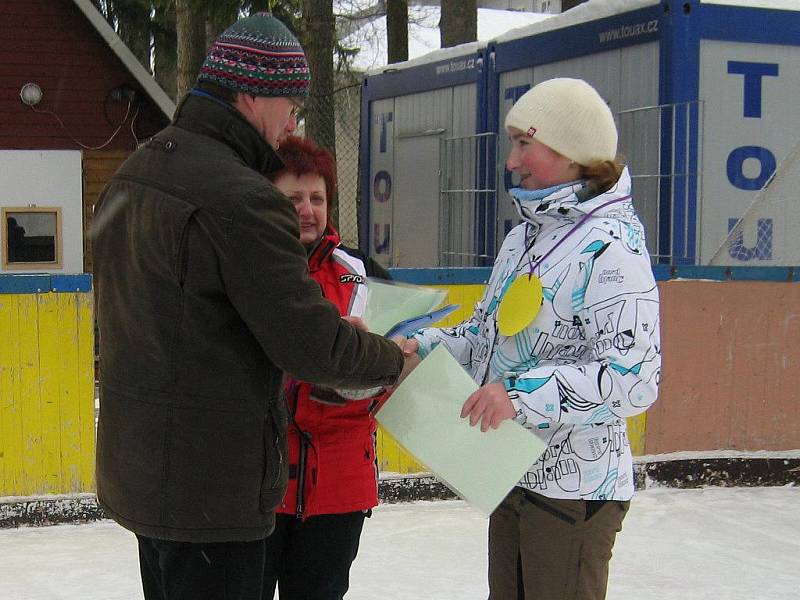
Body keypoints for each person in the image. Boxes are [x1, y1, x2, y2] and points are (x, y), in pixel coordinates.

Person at [91, 14, 411, 600]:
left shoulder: (137, 172)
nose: (293, 120)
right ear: (251, 95)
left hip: (146, 479)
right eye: (289, 103)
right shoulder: (242, 198)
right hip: (214, 491)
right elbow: (312, 344)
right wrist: (391, 358)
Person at [403, 78, 661, 600]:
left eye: (525, 143)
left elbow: (635, 379)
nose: (512, 160)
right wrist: (419, 347)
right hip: (512, 472)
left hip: (574, 493)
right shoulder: (526, 235)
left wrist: (520, 397)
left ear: (571, 154)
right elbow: (483, 337)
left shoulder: (610, 247)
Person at [260, 136, 388, 600]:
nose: (307, 210)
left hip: (337, 487)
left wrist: (353, 380)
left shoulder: (360, 274)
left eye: (317, 198)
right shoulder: (246, 268)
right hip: (258, 486)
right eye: (292, 198)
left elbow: (395, 368)